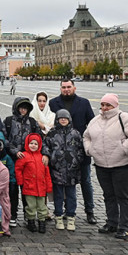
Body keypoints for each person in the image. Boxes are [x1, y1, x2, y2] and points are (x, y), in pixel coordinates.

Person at [84, 93, 128, 239]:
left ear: (115, 105)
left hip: (123, 164)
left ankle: (125, 227)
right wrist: (90, 150)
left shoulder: (124, 118)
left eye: (108, 105)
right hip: (102, 165)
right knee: (109, 195)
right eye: (102, 104)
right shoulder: (95, 120)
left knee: (124, 196)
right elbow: (86, 136)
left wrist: (124, 149)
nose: (105, 108)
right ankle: (112, 222)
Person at [48, 79, 97, 225]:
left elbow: (92, 124)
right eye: (63, 87)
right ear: (60, 88)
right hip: (60, 153)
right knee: (61, 183)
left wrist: (89, 145)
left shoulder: (84, 103)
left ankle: (90, 211)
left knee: (86, 181)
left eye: (69, 87)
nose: (66, 90)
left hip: (79, 151)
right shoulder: (53, 103)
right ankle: (64, 211)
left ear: (74, 88)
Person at [42, 109, 84, 232]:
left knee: (71, 195)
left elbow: (81, 149)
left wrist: (77, 160)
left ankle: (71, 216)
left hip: (72, 170)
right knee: (58, 195)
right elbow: (46, 146)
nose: (63, 120)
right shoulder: (52, 133)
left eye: (65, 118)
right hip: (57, 170)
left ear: (69, 119)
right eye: (61, 118)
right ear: (57, 120)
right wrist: (50, 158)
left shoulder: (75, 133)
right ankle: (58, 216)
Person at [3, 97, 40, 226]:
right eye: (21, 107)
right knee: (12, 187)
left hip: (27, 160)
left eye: (25, 108)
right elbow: (4, 138)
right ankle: (12, 213)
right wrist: (14, 151)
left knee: (27, 187)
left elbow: (37, 139)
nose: (23, 110)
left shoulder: (32, 122)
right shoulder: (8, 121)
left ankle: (28, 213)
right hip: (12, 159)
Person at [15, 133, 52, 233]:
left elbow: (47, 173)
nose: (33, 145)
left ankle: (42, 222)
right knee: (30, 206)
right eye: (31, 143)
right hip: (29, 186)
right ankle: (31, 221)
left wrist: (48, 186)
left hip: (41, 187)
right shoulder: (24, 156)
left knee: (42, 206)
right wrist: (21, 181)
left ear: (39, 145)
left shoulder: (42, 157)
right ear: (27, 144)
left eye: (36, 144)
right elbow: (18, 169)